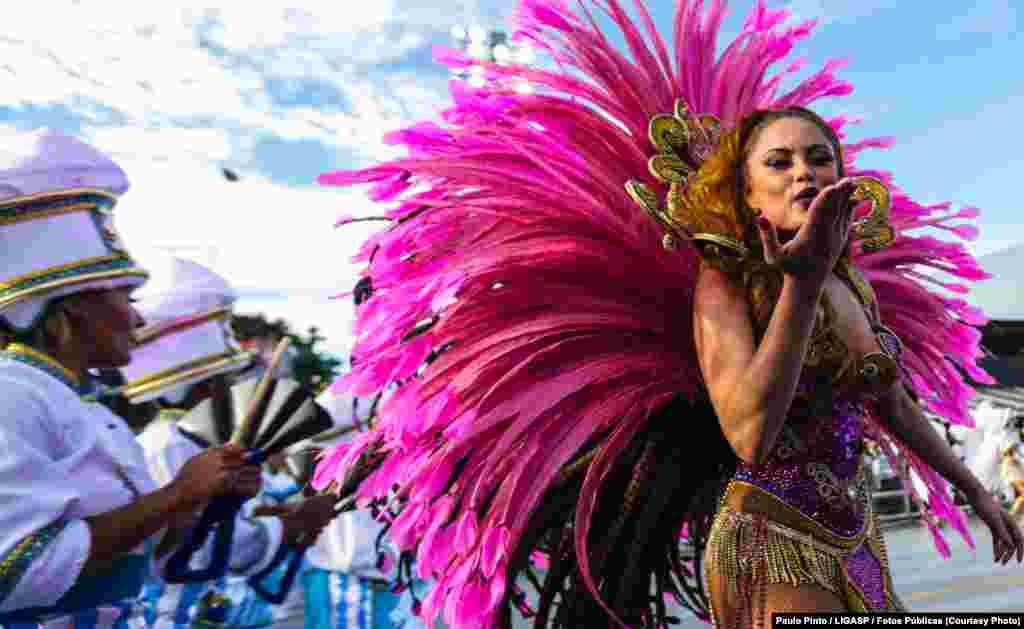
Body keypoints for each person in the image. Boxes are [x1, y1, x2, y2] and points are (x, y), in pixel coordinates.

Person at [309, 1, 1020, 627]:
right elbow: (748, 431)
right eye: (780, 162)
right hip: (770, 536)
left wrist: (974, 492)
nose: (804, 171)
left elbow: (889, 400)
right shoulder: (725, 281)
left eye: (818, 157)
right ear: (747, 194)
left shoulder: (852, 285)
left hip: (856, 531)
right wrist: (796, 289)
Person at [0, 129, 260, 628]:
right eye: (126, 296)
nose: (139, 321)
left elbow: (155, 561)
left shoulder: (90, 410)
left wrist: (210, 497)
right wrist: (178, 494)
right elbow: (17, 568)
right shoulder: (12, 393)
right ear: (74, 307)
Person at [119, 255, 335, 629]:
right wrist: (293, 525)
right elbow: (203, 547)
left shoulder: (184, 441)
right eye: (223, 379)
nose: (232, 390)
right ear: (200, 385)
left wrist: (276, 518)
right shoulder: (169, 446)